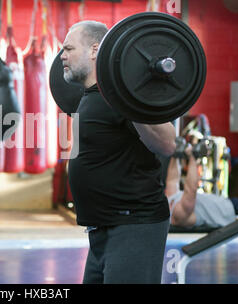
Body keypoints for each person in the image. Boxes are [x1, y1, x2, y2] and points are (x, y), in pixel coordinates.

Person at [60, 21, 176, 284]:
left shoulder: (123, 94)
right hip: (102, 228)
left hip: (134, 224)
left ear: (95, 50)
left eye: (68, 48)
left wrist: (126, 96)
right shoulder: (90, 96)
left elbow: (168, 143)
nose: (62, 56)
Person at [165, 145, 238, 228]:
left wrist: (175, 155)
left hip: (227, 203)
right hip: (230, 213)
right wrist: (192, 157)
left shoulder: (169, 201)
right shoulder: (178, 214)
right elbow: (191, 189)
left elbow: (172, 180)